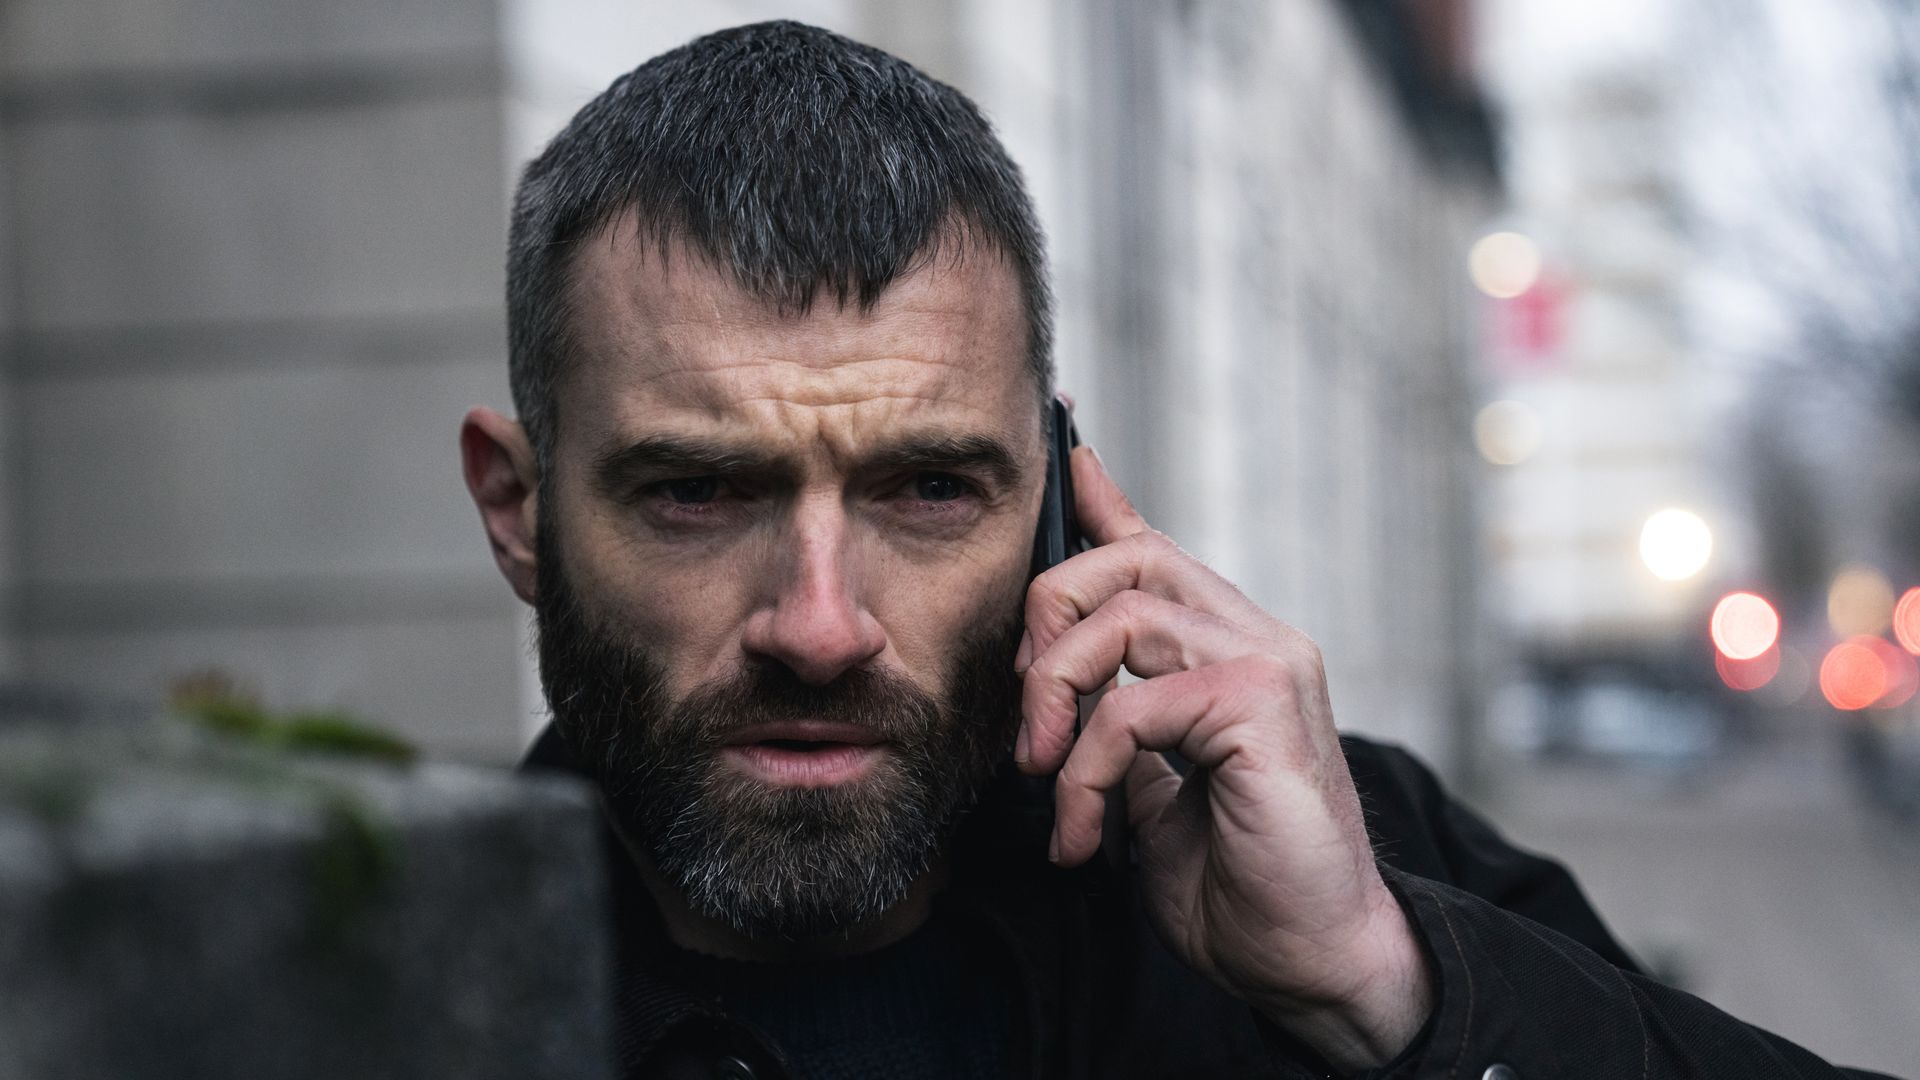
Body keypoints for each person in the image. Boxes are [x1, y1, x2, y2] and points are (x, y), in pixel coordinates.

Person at [459, 20, 1898, 1080]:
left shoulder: (1340, 857)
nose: (821, 625)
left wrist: (1389, 993)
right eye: (699, 495)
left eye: (929, 491)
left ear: (1063, 499)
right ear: (520, 510)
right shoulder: (358, 969)